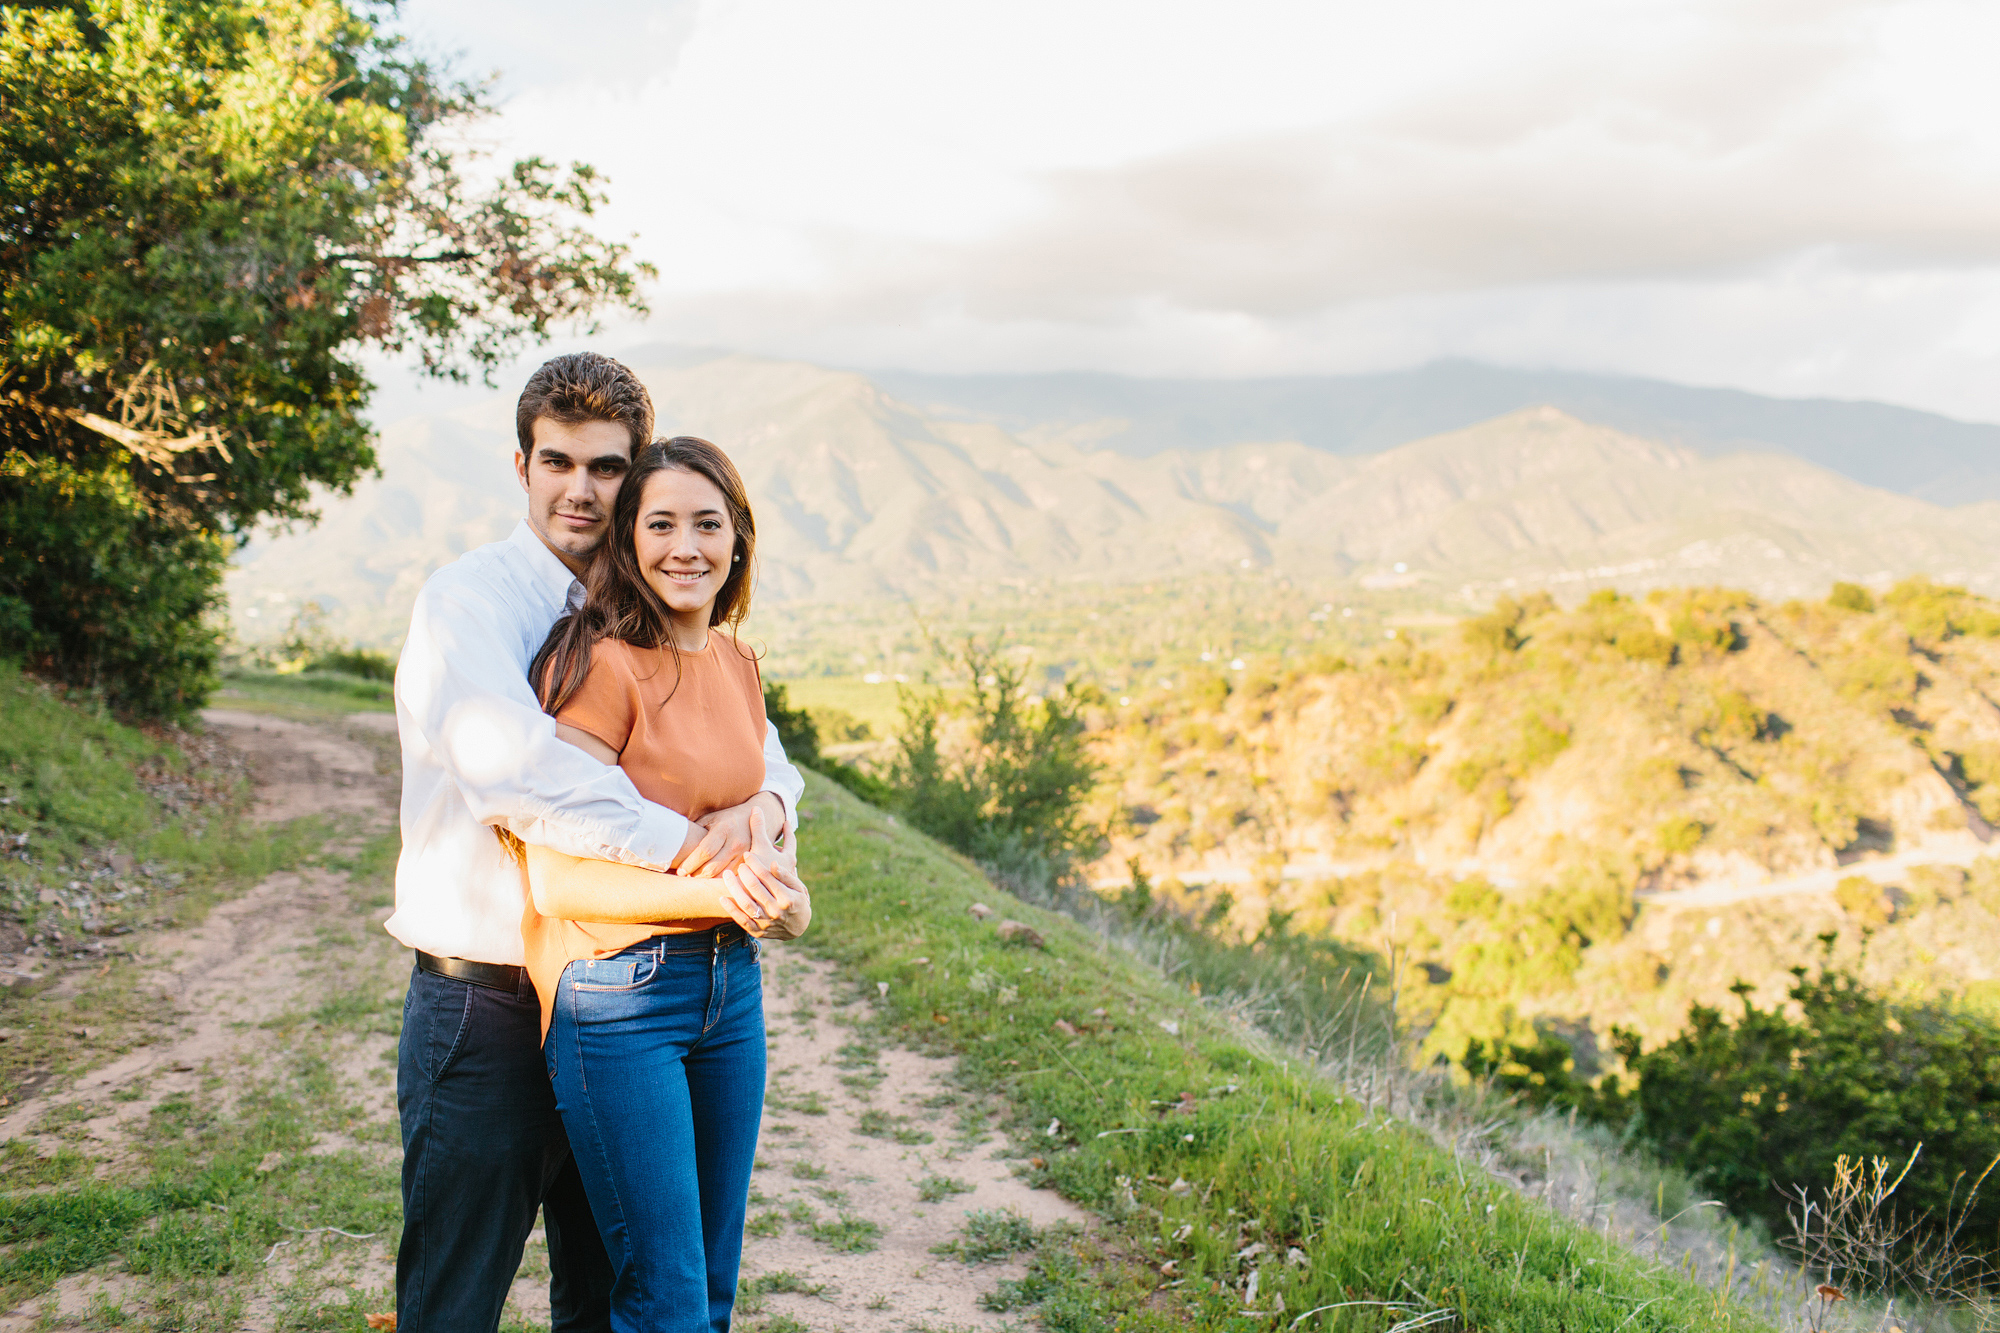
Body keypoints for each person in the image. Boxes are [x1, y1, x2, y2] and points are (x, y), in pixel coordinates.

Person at [387, 353, 805, 1332]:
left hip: (614, 998)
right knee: (455, 1295)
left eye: (606, 467)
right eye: (557, 461)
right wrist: (710, 859)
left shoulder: (645, 612)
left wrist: (767, 814)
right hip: (484, 999)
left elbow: (761, 753)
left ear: (633, 472)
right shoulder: (469, 603)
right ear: (523, 466)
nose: (579, 488)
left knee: (607, 1292)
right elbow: (523, 784)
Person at [513, 435, 812, 1333]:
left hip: (731, 992)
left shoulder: (736, 662)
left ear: (738, 539)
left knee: (711, 1291)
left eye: (708, 523)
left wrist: (772, 852)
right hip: (618, 999)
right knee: (666, 1297)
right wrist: (730, 895)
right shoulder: (600, 664)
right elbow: (560, 878)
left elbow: (763, 814)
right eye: (662, 524)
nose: (687, 546)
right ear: (629, 541)